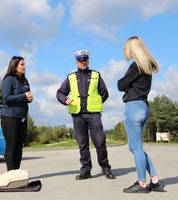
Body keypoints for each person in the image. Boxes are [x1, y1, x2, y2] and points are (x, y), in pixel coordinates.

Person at [56, 50, 115, 180]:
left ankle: (105, 168)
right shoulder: (71, 77)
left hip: (93, 115)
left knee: (100, 142)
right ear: (76, 62)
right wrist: (65, 100)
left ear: (88, 61)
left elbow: (104, 93)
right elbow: (60, 93)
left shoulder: (96, 75)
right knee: (82, 144)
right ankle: (86, 170)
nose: (83, 62)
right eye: (80, 61)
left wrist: (95, 103)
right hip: (77, 115)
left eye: (85, 60)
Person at [117, 36, 165, 193]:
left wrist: (126, 84)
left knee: (136, 147)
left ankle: (142, 183)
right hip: (144, 106)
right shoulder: (147, 66)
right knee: (135, 146)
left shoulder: (136, 66)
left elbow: (120, 84)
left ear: (132, 49)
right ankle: (155, 180)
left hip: (133, 107)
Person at [1, 56, 33, 171]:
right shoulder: (9, 79)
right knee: (11, 146)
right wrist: (23, 96)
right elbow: (7, 98)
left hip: (22, 118)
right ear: (15, 66)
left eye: (24, 64)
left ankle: (16, 172)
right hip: (9, 118)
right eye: (22, 64)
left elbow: (26, 95)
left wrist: (29, 98)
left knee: (19, 146)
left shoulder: (24, 80)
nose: (25, 66)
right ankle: (11, 173)